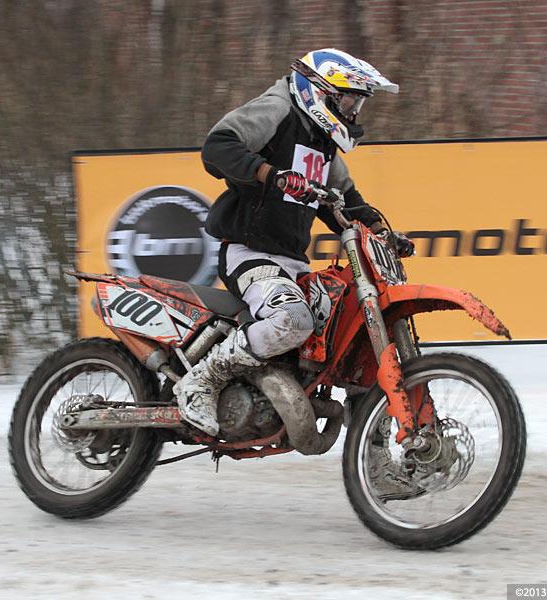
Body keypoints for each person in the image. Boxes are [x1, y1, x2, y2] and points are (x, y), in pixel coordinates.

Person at [174, 48, 413, 436]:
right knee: (292, 319)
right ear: (322, 92)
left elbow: (345, 201)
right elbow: (217, 147)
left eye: (357, 103)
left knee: (344, 329)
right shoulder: (278, 108)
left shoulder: (321, 142)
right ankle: (203, 380)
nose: (353, 112)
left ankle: (377, 450)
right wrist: (271, 174)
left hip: (291, 262)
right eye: (350, 100)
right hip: (248, 252)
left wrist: (382, 232)